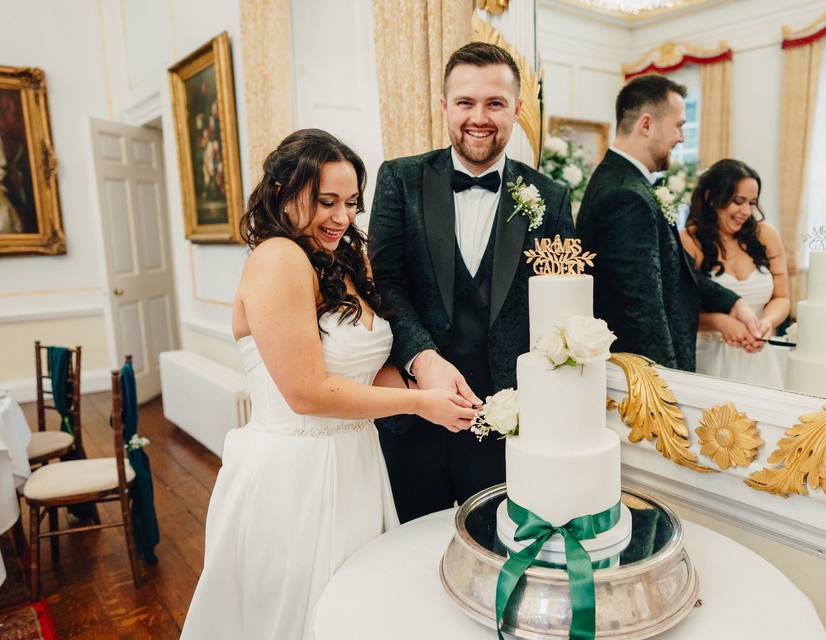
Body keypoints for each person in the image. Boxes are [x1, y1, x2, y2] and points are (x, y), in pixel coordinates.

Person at [181, 129, 477, 640]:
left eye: (351, 204)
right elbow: (308, 392)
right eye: (326, 202)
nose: (342, 218)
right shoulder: (277, 258)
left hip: (356, 463)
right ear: (282, 191)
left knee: (354, 612)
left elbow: (364, 368)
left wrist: (430, 385)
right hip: (295, 475)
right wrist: (420, 404)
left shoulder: (345, 263)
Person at [369, 42, 575, 523]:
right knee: (411, 553)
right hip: (414, 414)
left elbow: (561, 309)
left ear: (517, 110)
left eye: (495, 103)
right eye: (465, 102)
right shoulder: (400, 179)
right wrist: (422, 356)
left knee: (501, 548)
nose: (479, 117)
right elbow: (385, 284)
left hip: (508, 421)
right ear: (444, 107)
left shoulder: (551, 197)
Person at [576, 74, 761, 372]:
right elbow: (641, 309)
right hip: (646, 374)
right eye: (679, 126)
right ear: (646, 124)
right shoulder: (625, 195)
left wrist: (733, 302)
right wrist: (668, 386)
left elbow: (678, 271)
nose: (681, 138)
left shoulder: (628, 183)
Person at [680, 159, 790, 387]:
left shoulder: (766, 235)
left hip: (759, 356)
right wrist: (719, 322)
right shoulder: (689, 241)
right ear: (711, 197)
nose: (746, 211)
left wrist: (767, 323)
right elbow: (678, 309)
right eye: (738, 201)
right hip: (709, 358)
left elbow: (782, 298)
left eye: (752, 202)